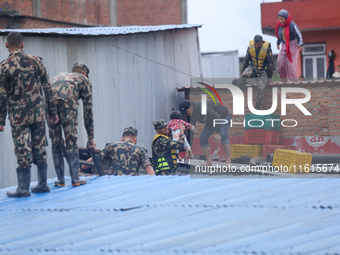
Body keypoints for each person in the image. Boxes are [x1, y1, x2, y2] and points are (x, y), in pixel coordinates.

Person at [0, 32, 59, 197]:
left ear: (6, 45)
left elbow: (2, 95)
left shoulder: (5, 66)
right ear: (22, 45)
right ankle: (42, 184)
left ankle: (24, 189)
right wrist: (52, 111)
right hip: (38, 114)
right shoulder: (36, 61)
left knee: (22, 149)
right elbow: (48, 87)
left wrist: (1, 120)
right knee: (39, 147)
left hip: (19, 117)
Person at [49, 63, 96, 187]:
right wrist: (90, 137)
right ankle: (75, 178)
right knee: (71, 139)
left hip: (49, 105)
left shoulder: (59, 76)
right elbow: (88, 110)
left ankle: (60, 180)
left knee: (56, 141)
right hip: (67, 104)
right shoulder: (84, 80)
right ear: (85, 74)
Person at [80, 127, 155, 176]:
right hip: (132, 184)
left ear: (122, 138)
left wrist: (81, 169)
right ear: (135, 138)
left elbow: (95, 158)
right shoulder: (140, 150)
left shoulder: (111, 146)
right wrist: (156, 182)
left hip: (113, 183)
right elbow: (148, 167)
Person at [180, 100, 232, 166]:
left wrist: (218, 133)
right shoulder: (191, 114)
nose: (186, 114)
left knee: (223, 135)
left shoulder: (201, 108)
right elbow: (191, 132)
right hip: (211, 120)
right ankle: (209, 162)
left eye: (186, 112)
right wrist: (188, 150)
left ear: (190, 107)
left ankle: (228, 160)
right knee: (203, 137)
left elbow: (217, 117)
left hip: (223, 117)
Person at [235, 35, 275, 110]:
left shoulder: (267, 49)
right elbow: (246, 61)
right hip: (253, 68)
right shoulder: (250, 48)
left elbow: (271, 64)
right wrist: (242, 73)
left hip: (263, 71)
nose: (256, 46)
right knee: (244, 75)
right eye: (255, 44)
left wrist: (269, 78)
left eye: (258, 44)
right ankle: (236, 90)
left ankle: (257, 107)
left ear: (262, 42)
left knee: (261, 89)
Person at [276, 9, 304, 82]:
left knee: (290, 64)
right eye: (279, 19)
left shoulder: (292, 24)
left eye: (282, 19)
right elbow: (280, 35)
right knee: (280, 63)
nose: (281, 21)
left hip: (293, 44)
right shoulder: (279, 25)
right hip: (284, 45)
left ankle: (292, 81)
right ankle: (284, 80)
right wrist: (278, 43)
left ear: (286, 17)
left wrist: (300, 44)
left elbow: (299, 34)